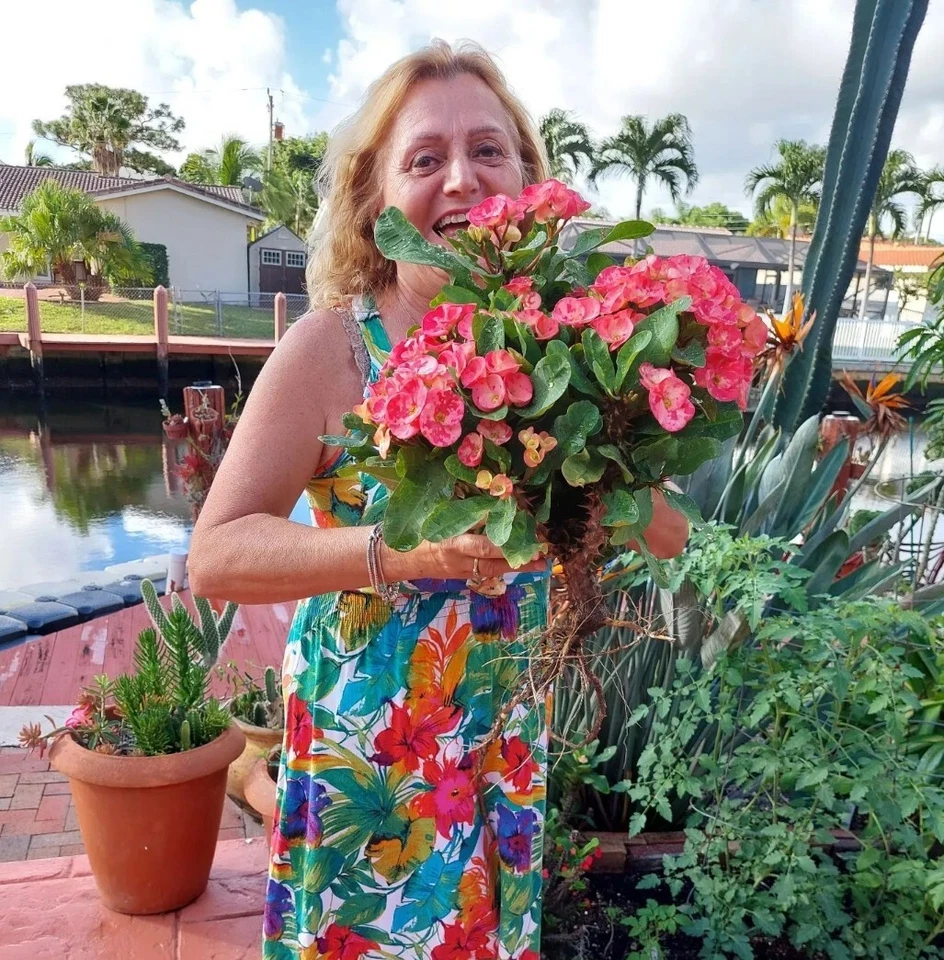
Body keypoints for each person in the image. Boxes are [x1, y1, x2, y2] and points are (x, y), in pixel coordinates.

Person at [189, 39, 688, 960]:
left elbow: (668, 537)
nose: (461, 179)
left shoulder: (556, 354)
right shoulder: (331, 350)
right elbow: (216, 556)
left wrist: (606, 452)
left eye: (490, 151)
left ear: (527, 182)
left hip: (501, 752)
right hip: (368, 760)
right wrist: (395, 553)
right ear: (377, 195)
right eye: (425, 158)